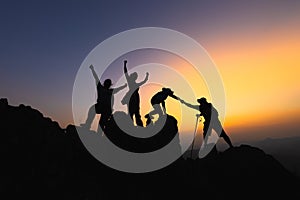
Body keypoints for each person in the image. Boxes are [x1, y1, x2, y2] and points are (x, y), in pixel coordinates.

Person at [81, 65, 127, 133]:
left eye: (108, 83)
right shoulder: (100, 88)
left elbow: (118, 89)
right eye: (106, 83)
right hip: (100, 107)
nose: (107, 84)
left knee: (101, 122)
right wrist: (92, 70)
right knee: (92, 109)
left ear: (109, 84)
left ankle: (99, 133)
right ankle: (88, 125)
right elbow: (96, 78)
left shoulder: (111, 91)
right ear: (105, 83)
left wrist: (124, 86)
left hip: (107, 109)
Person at [121, 60, 149, 127]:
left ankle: (139, 126)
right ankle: (131, 127)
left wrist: (146, 76)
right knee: (131, 113)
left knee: (137, 113)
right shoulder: (130, 82)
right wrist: (124, 64)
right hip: (131, 98)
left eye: (135, 76)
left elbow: (144, 81)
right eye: (134, 76)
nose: (135, 77)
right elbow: (125, 72)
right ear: (132, 77)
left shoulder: (136, 84)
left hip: (136, 99)